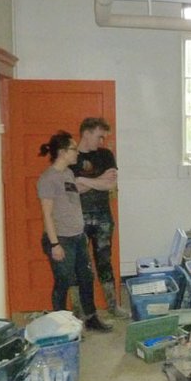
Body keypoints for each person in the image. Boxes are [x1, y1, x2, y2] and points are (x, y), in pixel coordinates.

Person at [37, 130, 112, 332]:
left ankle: (91, 319)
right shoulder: (48, 179)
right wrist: (55, 245)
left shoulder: (68, 173)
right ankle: (60, 327)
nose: (76, 153)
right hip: (61, 240)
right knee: (63, 282)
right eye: (73, 149)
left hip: (78, 237)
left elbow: (73, 195)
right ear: (62, 152)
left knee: (86, 279)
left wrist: (101, 181)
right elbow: (47, 215)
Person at [71, 117, 127, 318]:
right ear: (86, 133)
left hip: (103, 216)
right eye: (99, 136)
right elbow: (73, 188)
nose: (102, 141)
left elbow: (110, 184)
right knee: (79, 264)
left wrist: (84, 180)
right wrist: (98, 180)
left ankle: (113, 306)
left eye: (104, 137)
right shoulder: (71, 157)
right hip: (77, 218)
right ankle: (79, 311)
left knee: (104, 260)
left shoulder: (105, 155)